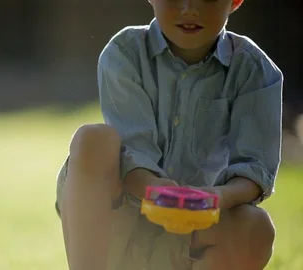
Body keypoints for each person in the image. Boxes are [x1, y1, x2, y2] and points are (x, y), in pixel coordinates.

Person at [54, 0, 283, 269]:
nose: (190, 8)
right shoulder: (125, 52)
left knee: (256, 227)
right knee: (92, 140)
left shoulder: (254, 70)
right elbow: (133, 152)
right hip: (116, 225)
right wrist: (161, 194)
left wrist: (216, 197)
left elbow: (255, 168)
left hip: (193, 233)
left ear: (235, 1)